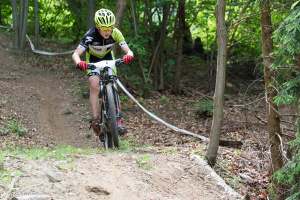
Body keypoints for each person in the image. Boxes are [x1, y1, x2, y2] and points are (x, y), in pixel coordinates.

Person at [72, 8, 134, 137]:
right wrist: (79, 62)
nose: (107, 31)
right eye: (104, 28)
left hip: (108, 58)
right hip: (93, 60)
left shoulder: (116, 33)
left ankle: (118, 120)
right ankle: (95, 118)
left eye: (110, 28)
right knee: (94, 84)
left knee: (114, 85)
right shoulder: (90, 35)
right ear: (97, 27)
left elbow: (128, 50)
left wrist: (129, 55)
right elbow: (76, 54)